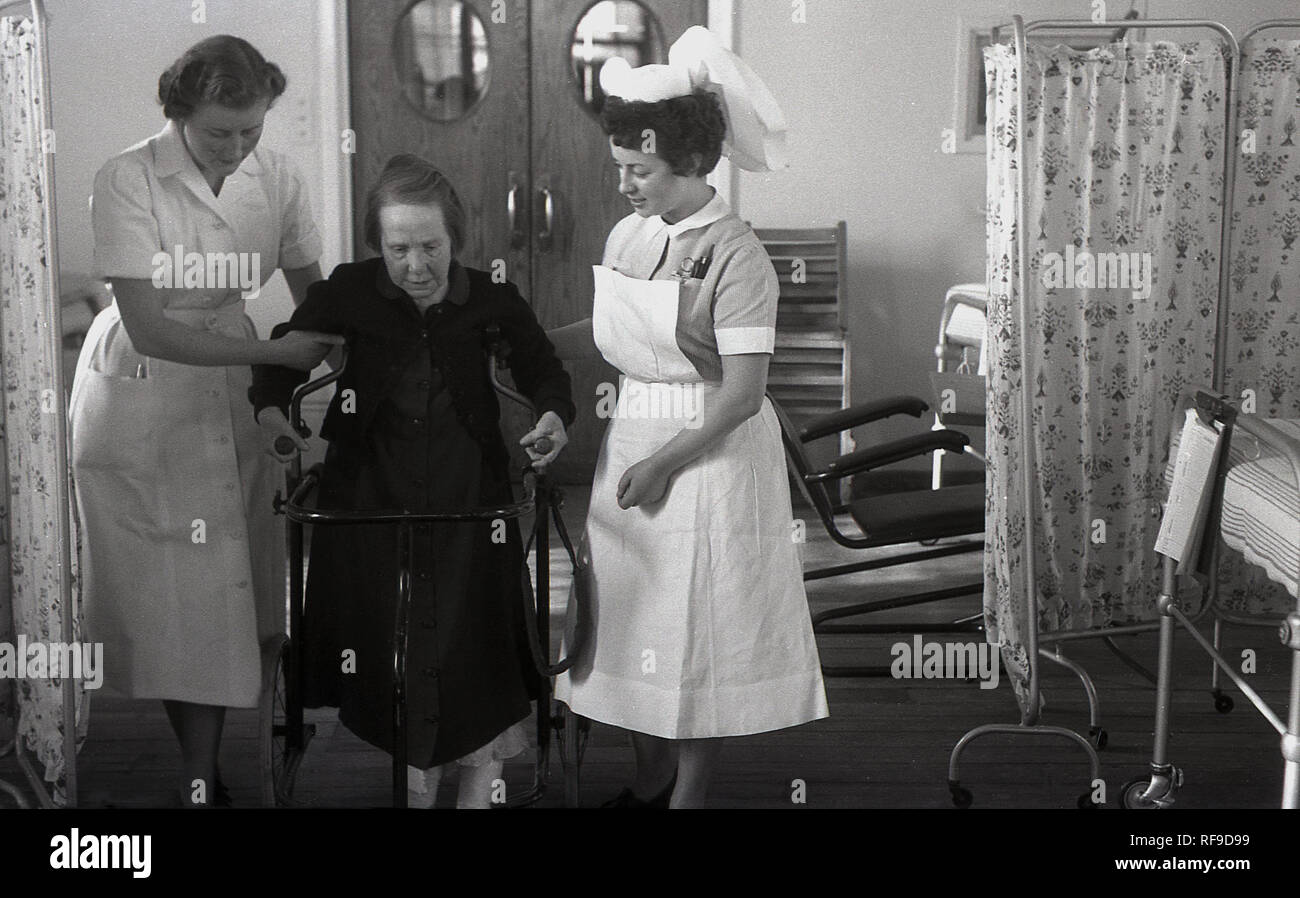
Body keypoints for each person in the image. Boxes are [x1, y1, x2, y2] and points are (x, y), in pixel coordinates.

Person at [550, 27, 828, 808]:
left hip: (709, 454)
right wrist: (531, 343)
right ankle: (650, 778)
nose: (625, 186)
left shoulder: (738, 256)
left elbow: (742, 393)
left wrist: (666, 461)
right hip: (635, 436)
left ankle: (690, 795)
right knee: (635, 616)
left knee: (697, 627)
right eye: (621, 169)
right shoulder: (631, 236)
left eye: (639, 171)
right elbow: (612, 336)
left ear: (693, 163)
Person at [249, 154, 573, 809]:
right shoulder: (348, 291)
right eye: (399, 250)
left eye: (432, 247)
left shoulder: (489, 298)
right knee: (388, 638)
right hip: (372, 497)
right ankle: (418, 776)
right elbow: (283, 355)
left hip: (468, 497)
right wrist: (273, 415)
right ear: (378, 244)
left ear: (456, 239)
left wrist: (551, 418)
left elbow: (544, 371)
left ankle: (481, 772)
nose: (418, 266)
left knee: (469, 634)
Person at [68, 35, 342, 807]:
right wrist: (284, 358)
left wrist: (348, 341)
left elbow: (315, 291)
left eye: (251, 130)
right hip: (143, 390)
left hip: (232, 378)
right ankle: (201, 777)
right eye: (219, 132)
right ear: (180, 112)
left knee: (235, 585)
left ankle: (213, 773)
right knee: (172, 600)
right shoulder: (127, 178)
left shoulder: (276, 176)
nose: (236, 147)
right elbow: (151, 327)